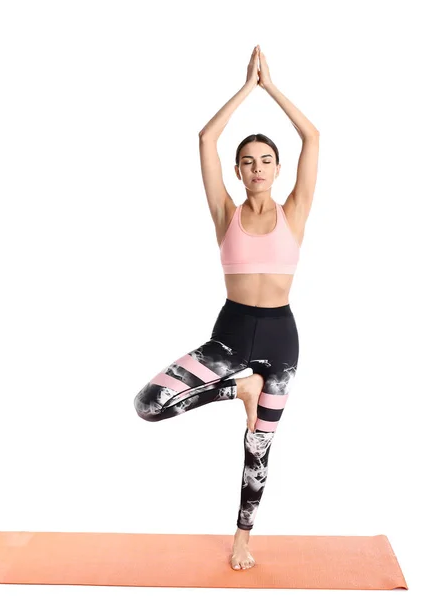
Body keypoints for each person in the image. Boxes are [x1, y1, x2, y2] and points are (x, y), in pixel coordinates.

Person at [133, 45, 319, 571]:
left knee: (260, 447)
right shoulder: (225, 213)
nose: (257, 168)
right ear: (238, 171)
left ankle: (242, 537)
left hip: (281, 338)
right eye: (248, 162)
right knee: (150, 403)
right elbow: (206, 139)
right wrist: (246, 88)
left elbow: (314, 137)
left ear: (278, 169)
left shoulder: (295, 211)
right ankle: (239, 387)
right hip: (230, 335)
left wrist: (272, 88)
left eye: (266, 160)